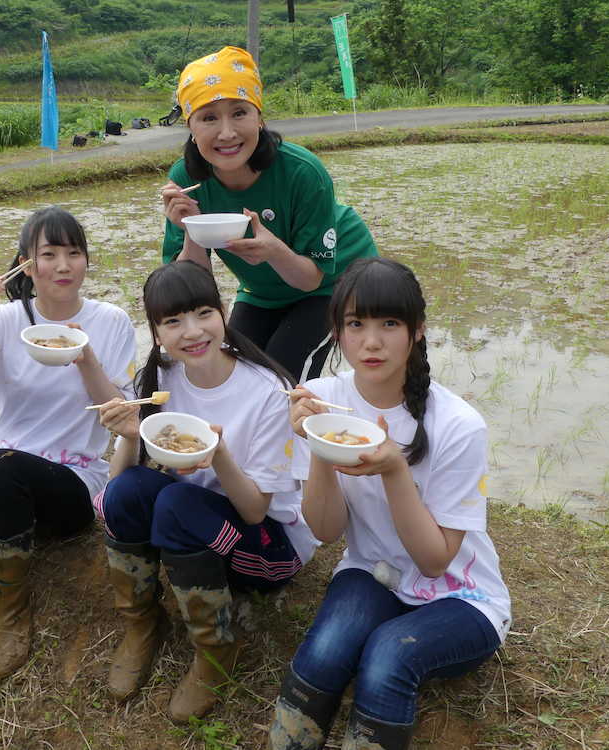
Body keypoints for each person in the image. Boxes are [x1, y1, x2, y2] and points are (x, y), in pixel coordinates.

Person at [268, 258, 511, 750]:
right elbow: (327, 529)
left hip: (461, 596)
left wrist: (395, 470)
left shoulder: (459, 426)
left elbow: (435, 560)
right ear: (337, 331)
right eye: (356, 324)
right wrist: (319, 445)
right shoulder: (318, 400)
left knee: (386, 658)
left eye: (390, 324)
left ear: (417, 331)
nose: (371, 342)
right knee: (324, 655)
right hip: (372, 571)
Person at [94, 260, 319, 721]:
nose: (191, 332)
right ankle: (141, 623)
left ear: (224, 313)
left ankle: (215, 649)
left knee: (176, 502)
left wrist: (218, 453)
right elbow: (119, 494)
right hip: (194, 527)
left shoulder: (267, 391)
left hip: (268, 546)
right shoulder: (157, 385)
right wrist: (130, 436)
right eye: (173, 321)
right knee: (128, 490)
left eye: (202, 313)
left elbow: (256, 511)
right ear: (156, 333)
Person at [0, 206, 135, 677]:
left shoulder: (110, 320)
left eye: (74, 253)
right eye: (49, 254)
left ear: (86, 262)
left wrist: (86, 359)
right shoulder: (6, 320)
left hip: (73, 480)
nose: (63, 265)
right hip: (3, 469)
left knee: (1, 466)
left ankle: (11, 611)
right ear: (26, 265)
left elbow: (121, 419)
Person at [160, 45, 377, 385]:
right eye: (209, 117)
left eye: (239, 113)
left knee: (280, 380)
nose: (227, 132)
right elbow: (192, 288)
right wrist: (191, 228)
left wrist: (273, 250)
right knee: (235, 369)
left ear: (259, 118)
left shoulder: (303, 171)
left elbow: (311, 279)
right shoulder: (186, 181)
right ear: (191, 126)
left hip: (335, 282)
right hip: (262, 290)